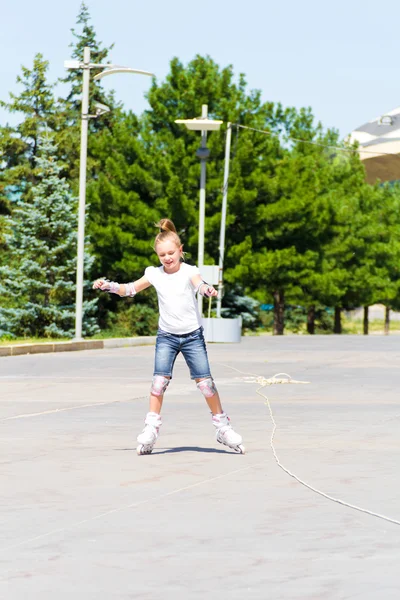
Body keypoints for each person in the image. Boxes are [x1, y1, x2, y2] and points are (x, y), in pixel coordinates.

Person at [93, 218, 245, 455]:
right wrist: (109, 286)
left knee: (206, 384)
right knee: (158, 383)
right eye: (162, 254)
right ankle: (151, 429)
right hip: (167, 336)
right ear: (157, 256)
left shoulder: (189, 271)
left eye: (171, 252)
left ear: (180, 251)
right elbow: (129, 289)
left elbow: (199, 284)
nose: (167, 258)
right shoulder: (154, 274)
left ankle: (223, 427)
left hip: (193, 336)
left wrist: (207, 289)